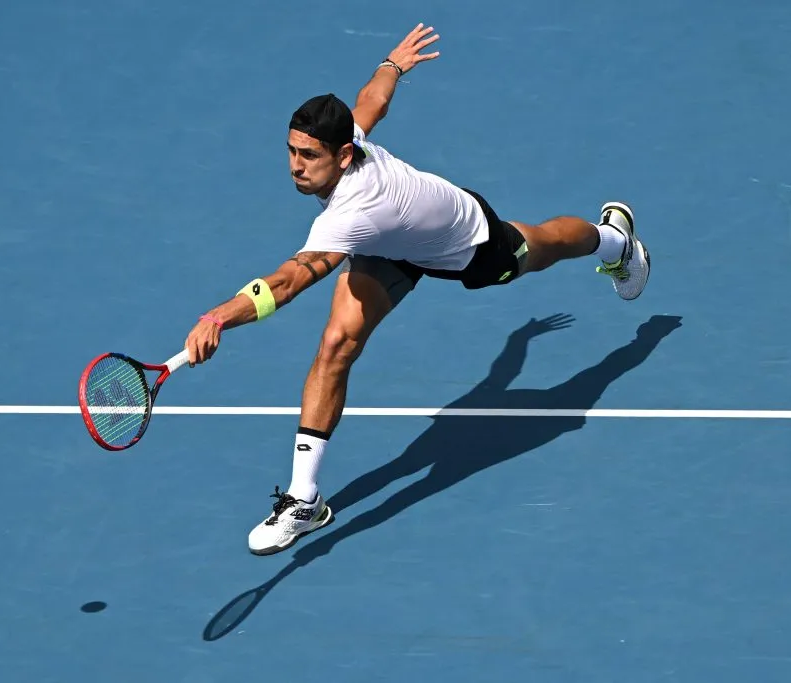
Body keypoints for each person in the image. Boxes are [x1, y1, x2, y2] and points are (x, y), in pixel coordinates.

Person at [183, 23, 650, 556]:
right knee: (337, 344)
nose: (295, 166)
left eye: (308, 156)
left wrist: (218, 317)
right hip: (390, 245)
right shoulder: (348, 143)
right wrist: (393, 65)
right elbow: (371, 102)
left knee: (542, 246)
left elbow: (289, 281)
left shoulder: (351, 213)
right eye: (291, 151)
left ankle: (614, 240)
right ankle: (304, 499)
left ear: (342, 156)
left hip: (468, 241)